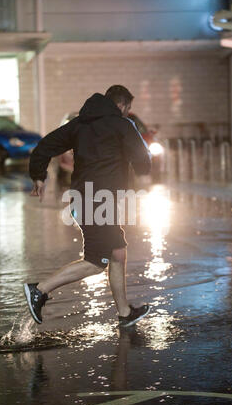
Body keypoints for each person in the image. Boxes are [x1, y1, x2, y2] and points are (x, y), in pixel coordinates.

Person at [24, 85, 152, 328]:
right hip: (99, 201)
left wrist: (38, 176)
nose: (127, 113)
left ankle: (124, 312)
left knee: (117, 252)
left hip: (86, 198)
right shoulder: (122, 125)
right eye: (128, 109)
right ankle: (39, 290)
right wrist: (143, 171)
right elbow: (142, 158)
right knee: (96, 260)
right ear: (122, 106)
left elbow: (45, 146)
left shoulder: (79, 125)